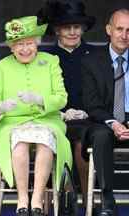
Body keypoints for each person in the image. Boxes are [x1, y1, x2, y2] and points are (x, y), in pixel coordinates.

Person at [0, 16, 72, 216]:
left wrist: (41, 99)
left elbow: (62, 98)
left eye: (30, 43)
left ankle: (37, 199)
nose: (25, 49)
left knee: (45, 142)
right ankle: (22, 197)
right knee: (20, 143)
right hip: (13, 123)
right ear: (11, 47)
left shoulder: (51, 61)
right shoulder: (2, 67)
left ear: (37, 44)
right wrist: (1, 107)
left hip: (46, 120)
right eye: (20, 44)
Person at [38, 0, 96, 204]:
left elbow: (101, 93)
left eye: (76, 27)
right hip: (55, 117)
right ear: (56, 30)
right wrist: (59, 112)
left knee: (82, 141)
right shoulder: (44, 57)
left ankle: (89, 201)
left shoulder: (96, 55)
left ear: (83, 29)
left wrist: (88, 112)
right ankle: (53, 202)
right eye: (66, 27)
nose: (72, 32)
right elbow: (41, 93)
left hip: (87, 119)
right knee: (47, 139)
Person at [81, 8, 129, 216]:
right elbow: (91, 104)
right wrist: (114, 123)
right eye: (119, 29)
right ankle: (107, 200)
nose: (124, 35)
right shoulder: (92, 61)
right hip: (104, 121)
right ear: (109, 29)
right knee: (101, 136)